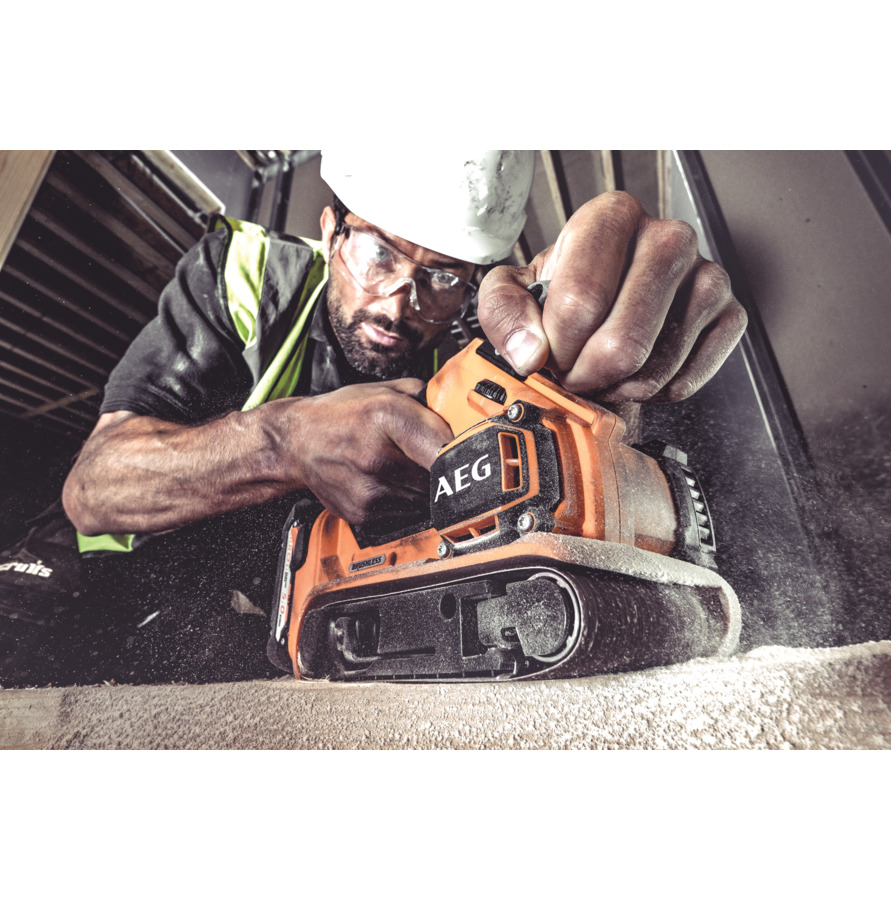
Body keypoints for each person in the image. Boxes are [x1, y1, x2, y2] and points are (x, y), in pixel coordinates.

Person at [57, 150, 746, 684]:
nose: (397, 303)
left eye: (442, 276)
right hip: (125, 583)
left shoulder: (472, 344)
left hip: (297, 626)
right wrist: (282, 441)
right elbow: (93, 488)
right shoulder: (246, 276)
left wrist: (577, 343)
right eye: (379, 253)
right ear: (331, 230)